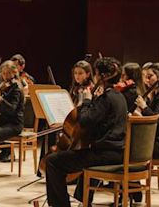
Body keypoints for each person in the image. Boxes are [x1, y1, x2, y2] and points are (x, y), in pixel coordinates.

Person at [44, 57, 127, 207]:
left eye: (95, 73)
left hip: (105, 154)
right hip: (118, 152)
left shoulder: (106, 98)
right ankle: (79, 199)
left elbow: (85, 120)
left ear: (100, 75)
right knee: (62, 158)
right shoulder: (119, 96)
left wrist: (88, 100)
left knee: (52, 161)